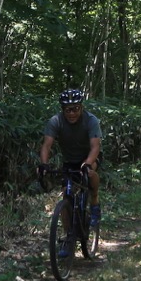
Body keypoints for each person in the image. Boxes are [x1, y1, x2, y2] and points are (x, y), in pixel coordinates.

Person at [38, 88, 102, 239]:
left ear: (81, 107)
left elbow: (95, 146)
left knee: (90, 172)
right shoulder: (56, 121)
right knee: (66, 198)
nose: (71, 113)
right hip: (70, 160)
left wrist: (86, 163)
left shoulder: (91, 120)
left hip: (89, 157)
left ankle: (94, 202)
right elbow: (46, 145)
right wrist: (44, 164)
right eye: (68, 110)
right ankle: (68, 237)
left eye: (75, 109)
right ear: (63, 110)